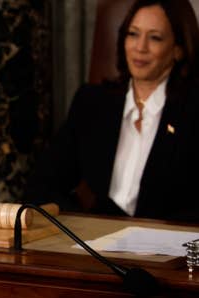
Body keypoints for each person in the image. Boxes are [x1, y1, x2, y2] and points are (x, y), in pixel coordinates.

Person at [26, 0, 199, 222]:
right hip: (97, 244)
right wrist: (85, 227)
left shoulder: (192, 111)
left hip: (170, 248)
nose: (140, 47)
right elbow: (42, 185)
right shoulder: (92, 103)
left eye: (155, 37)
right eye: (133, 34)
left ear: (178, 49)